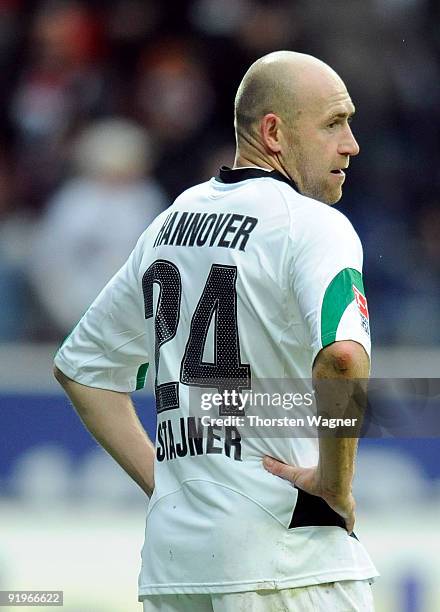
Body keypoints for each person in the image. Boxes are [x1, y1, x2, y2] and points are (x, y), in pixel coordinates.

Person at [54, 51, 378, 611]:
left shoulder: (169, 225)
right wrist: (334, 484)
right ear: (274, 132)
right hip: (289, 565)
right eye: (333, 123)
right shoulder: (314, 226)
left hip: (178, 570)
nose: (351, 144)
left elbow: (82, 370)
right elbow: (344, 358)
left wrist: (167, 488)